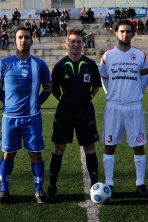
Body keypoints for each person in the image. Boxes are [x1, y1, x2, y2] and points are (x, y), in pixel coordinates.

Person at [0, 27, 52, 204]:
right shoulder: (4, 63)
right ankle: (4, 190)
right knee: (8, 154)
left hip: (32, 118)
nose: (23, 40)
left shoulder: (39, 64)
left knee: (35, 154)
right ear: (15, 40)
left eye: (26, 37)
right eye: (20, 37)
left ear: (31, 41)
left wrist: (36, 103)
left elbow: (48, 88)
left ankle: (39, 189)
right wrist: (8, 104)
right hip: (10, 119)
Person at [47, 29, 102, 200]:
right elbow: (54, 90)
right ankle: (52, 185)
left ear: (83, 44)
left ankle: (95, 185)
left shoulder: (91, 65)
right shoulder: (60, 65)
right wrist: (66, 100)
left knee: (89, 147)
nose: (76, 45)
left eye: (79, 42)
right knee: (58, 148)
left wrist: (84, 99)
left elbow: (96, 87)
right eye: (73, 41)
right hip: (65, 110)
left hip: (85, 109)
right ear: (67, 43)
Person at [99, 20, 148, 197]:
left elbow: (144, 79)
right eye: (122, 31)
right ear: (116, 33)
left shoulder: (140, 55)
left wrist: (137, 94)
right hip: (114, 106)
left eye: (128, 32)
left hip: (134, 106)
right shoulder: (108, 56)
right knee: (110, 144)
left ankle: (140, 183)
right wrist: (110, 93)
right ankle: (109, 183)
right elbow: (104, 78)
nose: (125, 34)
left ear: (133, 34)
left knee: (139, 145)